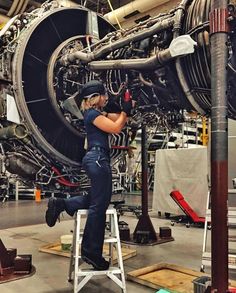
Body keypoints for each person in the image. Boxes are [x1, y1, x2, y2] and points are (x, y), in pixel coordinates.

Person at [45, 80, 132, 270]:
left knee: (97, 199)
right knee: (99, 206)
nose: (106, 97)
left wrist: (121, 107)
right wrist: (125, 112)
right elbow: (117, 127)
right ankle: (92, 253)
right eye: (104, 95)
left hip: (98, 159)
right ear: (96, 97)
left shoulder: (96, 113)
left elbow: (117, 118)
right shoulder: (92, 114)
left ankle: (63, 204)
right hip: (98, 159)